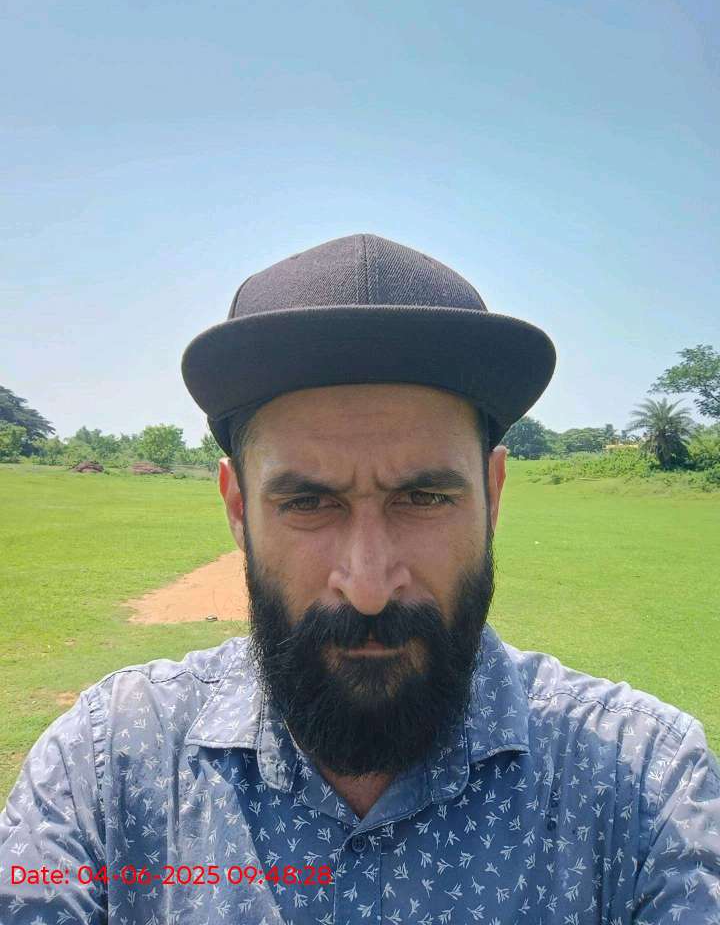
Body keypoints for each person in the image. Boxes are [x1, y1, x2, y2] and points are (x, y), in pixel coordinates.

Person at [1, 233, 718, 924]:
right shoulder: (108, 765)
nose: (369, 585)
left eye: (424, 498)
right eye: (308, 503)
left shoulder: (643, 783)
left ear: (493, 495)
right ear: (238, 507)